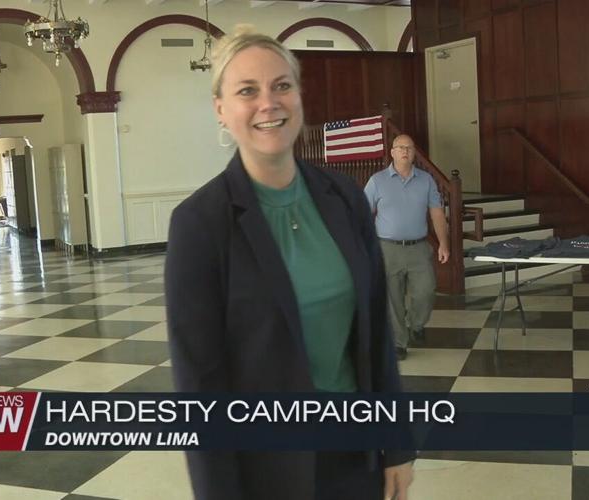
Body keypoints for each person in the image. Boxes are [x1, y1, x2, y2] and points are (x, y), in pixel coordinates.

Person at [164, 26, 414, 500]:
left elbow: (376, 334)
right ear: (221, 109)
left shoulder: (344, 199)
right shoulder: (199, 224)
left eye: (282, 85)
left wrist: (396, 445)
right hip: (265, 471)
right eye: (247, 91)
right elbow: (200, 386)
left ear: (299, 94)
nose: (269, 103)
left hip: (355, 455)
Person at [364, 135, 450, 360]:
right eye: (400, 147)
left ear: (414, 153)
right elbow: (362, 213)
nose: (405, 151)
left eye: (410, 148)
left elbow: (437, 213)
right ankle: (399, 342)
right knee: (392, 299)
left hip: (418, 248)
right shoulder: (377, 181)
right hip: (387, 248)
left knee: (426, 290)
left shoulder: (426, 180)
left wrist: (443, 243)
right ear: (392, 152)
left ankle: (417, 324)